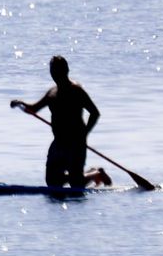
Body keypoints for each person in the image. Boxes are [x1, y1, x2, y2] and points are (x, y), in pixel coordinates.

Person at [10, 55, 102, 187]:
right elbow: (34, 109)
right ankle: (92, 174)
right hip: (58, 142)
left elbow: (95, 113)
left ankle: (95, 174)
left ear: (66, 70)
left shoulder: (76, 90)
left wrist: (84, 134)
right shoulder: (52, 92)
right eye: (53, 70)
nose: (55, 74)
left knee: (76, 185)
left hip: (75, 143)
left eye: (58, 70)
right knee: (53, 181)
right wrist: (20, 103)